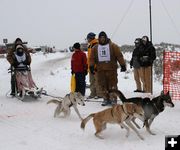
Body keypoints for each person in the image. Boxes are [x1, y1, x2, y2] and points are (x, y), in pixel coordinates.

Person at [90, 31, 126, 106]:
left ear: (106, 38)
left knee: (112, 85)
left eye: (103, 37)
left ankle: (113, 98)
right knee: (102, 85)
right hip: (100, 70)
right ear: (99, 38)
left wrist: (122, 65)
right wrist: (91, 66)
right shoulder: (95, 48)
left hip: (111, 70)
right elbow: (92, 58)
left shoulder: (113, 46)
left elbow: (119, 56)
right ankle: (106, 98)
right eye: (101, 37)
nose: (102, 39)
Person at [86, 32, 102, 99]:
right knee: (92, 81)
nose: (87, 39)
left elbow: (97, 57)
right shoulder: (90, 45)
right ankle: (93, 94)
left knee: (97, 81)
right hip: (90, 67)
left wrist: (95, 67)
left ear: (90, 38)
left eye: (88, 38)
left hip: (96, 67)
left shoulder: (96, 44)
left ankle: (99, 94)